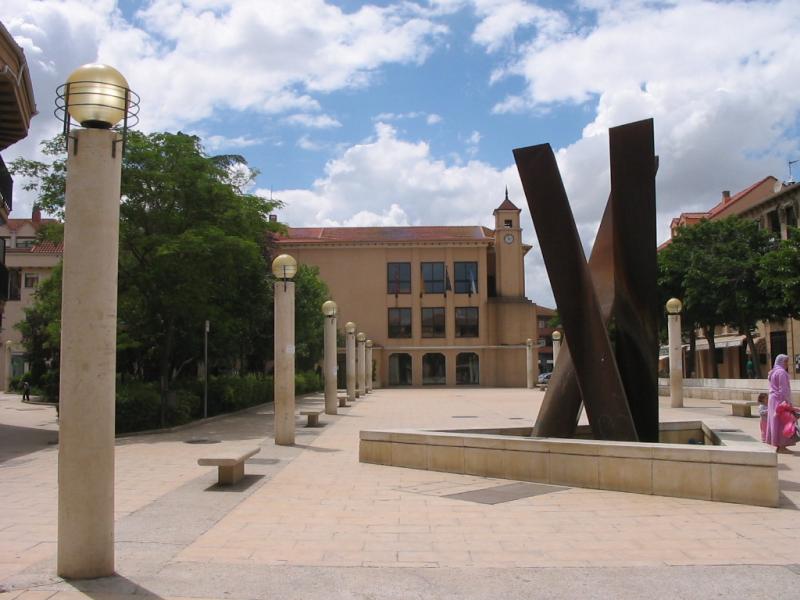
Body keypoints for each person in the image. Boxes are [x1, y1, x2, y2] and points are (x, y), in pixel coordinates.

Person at [765, 354, 799, 453]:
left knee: (775, 422)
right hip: (780, 401)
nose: (787, 364)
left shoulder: (773, 372)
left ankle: (779, 445)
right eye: (785, 362)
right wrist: (787, 403)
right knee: (783, 423)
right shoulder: (782, 373)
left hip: (773, 400)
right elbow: (783, 390)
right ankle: (782, 446)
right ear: (780, 362)